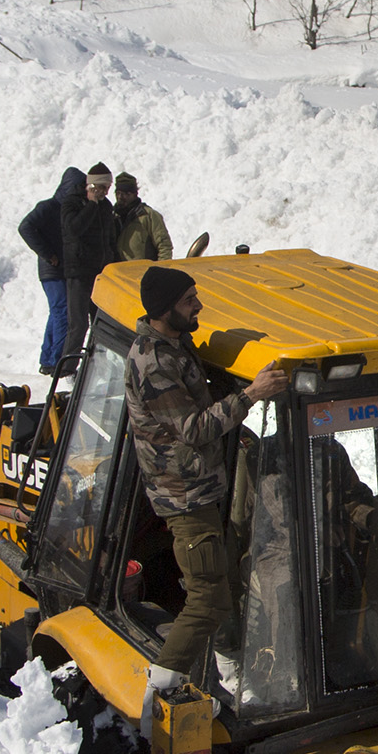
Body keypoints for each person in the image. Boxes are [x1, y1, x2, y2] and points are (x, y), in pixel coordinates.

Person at [125, 266, 289, 685]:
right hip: (186, 498)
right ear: (164, 309)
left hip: (206, 487)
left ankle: (232, 668)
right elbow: (195, 429)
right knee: (207, 599)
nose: (198, 306)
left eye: (196, 296)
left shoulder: (176, 344)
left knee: (228, 582)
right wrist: (250, 394)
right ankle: (161, 687)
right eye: (188, 300)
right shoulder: (155, 362)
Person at [18, 165, 87, 376]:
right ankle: (57, 359)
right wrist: (48, 254)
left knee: (57, 312)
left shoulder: (69, 209)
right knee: (63, 312)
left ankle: (48, 359)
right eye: (79, 187)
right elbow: (25, 227)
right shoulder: (49, 207)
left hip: (61, 269)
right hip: (52, 270)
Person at [56, 163, 122, 372]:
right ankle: (67, 368)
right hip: (79, 271)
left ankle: (97, 367)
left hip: (100, 271)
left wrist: (113, 260)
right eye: (103, 187)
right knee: (78, 324)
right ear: (93, 186)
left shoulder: (105, 206)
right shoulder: (72, 203)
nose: (106, 192)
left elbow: (109, 237)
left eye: (108, 187)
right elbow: (74, 230)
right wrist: (91, 205)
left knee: (100, 323)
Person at [114, 172, 174, 263]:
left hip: (143, 274)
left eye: (126, 194)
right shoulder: (113, 216)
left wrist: (161, 271)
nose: (120, 197)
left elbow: (164, 246)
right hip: (117, 274)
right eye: (118, 193)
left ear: (135, 194)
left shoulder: (149, 216)